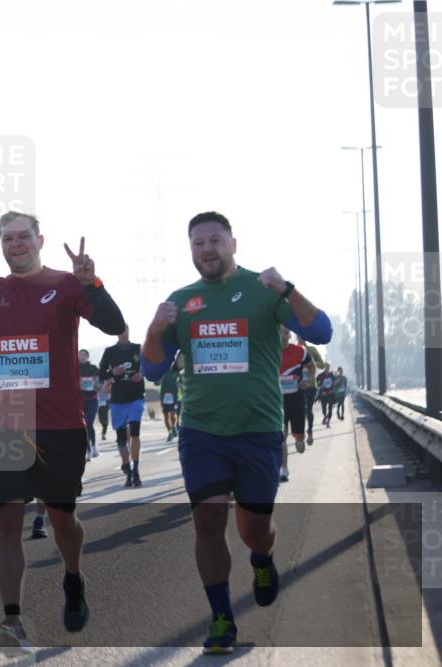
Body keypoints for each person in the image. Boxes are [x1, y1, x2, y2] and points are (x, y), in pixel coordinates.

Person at [0, 211, 125, 654]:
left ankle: (73, 577)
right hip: (5, 422)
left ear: (40, 239)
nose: (15, 244)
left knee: (61, 520)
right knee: (6, 525)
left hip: (60, 423)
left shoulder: (67, 284)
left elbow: (112, 325)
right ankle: (13, 620)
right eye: (7, 238)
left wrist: (92, 281)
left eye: (22, 237)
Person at [141, 211, 332, 654]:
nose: (207, 249)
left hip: (258, 429)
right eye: (198, 243)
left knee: (254, 529)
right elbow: (153, 369)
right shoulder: (182, 301)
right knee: (208, 523)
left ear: (233, 244)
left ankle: (262, 558)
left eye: (215, 240)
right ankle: (222, 617)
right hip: (202, 432)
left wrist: (287, 288)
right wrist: (154, 328)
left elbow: (320, 331)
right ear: (191, 251)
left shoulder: (262, 291)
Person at [98, 326, 146, 487]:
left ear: (129, 332)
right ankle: (127, 466)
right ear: (116, 333)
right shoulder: (110, 352)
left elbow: (149, 365)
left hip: (136, 398)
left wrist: (142, 374)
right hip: (118, 400)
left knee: (134, 433)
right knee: (120, 440)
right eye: (120, 331)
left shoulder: (138, 349)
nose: (123, 333)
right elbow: (100, 374)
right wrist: (113, 373)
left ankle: (136, 469)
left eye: (125, 330)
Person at [279, 325, 311, 481]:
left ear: (290, 335)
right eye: (280, 332)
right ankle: (284, 469)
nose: (283, 336)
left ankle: (300, 438)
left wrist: (307, 379)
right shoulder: (269, 351)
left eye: (286, 332)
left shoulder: (300, 351)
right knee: (281, 437)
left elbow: (311, 366)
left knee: (298, 437)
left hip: (297, 398)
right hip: (278, 400)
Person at [297, 334, 325, 445]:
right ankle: (300, 435)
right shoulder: (294, 350)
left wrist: (311, 363)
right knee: (300, 411)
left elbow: (322, 365)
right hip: (298, 385)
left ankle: (310, 432)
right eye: (299, 335)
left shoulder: (312, 350)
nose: (301, 338)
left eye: (303, 335)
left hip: (311, 385)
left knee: (308, 409)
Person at [78, 350, 100, 462]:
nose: (81, 357)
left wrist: (96, 385)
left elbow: (99, 381)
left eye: (84, 355)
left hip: (92, 399)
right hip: (80, 400)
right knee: (83, 425)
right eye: (80, 355)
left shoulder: (93, 368)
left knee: (89, 422)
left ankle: (93, 445)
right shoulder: (74, 368)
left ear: (87, 356)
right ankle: (88, 449)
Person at [159, 355, 183, 442]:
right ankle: (170, 431)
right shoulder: (162, 372)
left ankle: (174, 427)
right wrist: (159, 381)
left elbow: (181, 383)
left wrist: (181, 386)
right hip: (164, 397)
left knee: (173, 414)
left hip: (174, 397)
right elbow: (156, 383)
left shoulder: (176, 372)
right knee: (165, 416)